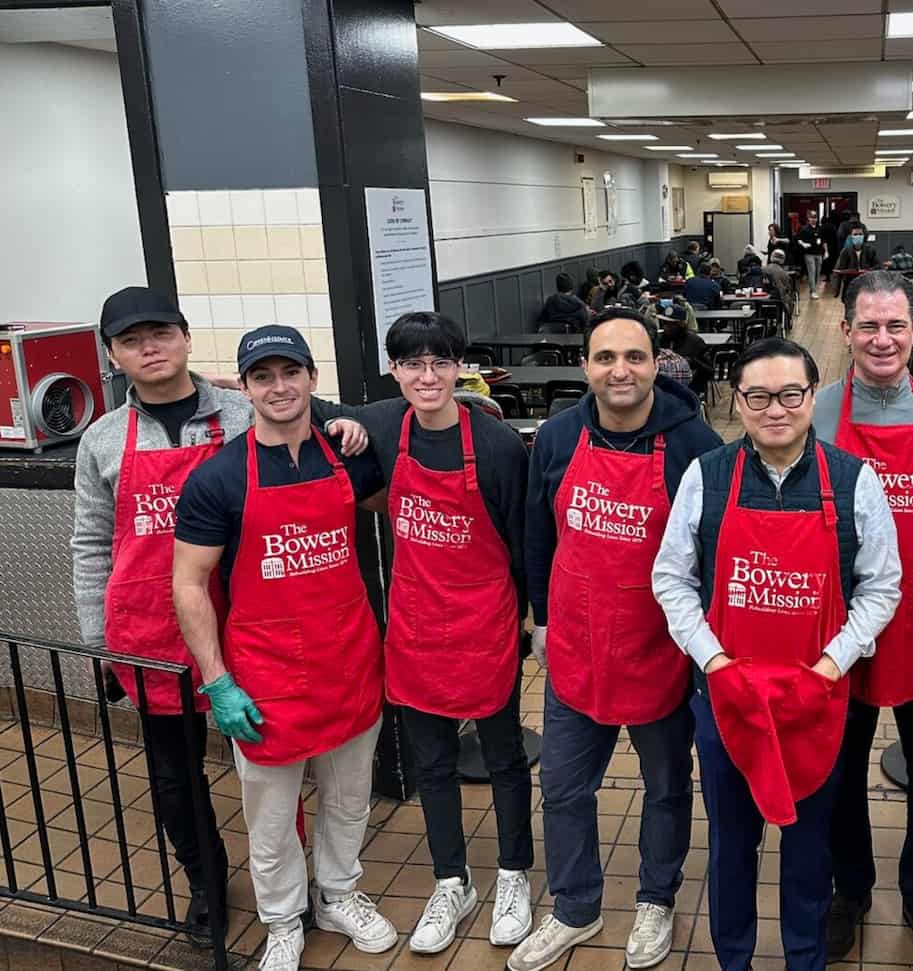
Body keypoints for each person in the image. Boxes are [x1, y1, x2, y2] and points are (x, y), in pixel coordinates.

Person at [71, 288, 366, 947]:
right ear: (113, 356)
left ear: (185, 338)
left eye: (160, 333)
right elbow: (90, 543)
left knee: (275, 762)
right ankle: (206, 881)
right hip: (149, 628)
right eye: (131, 340)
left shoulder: (239, 409)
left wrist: (349, 424)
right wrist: (100, 642)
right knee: (174, 775)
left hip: (247, 624)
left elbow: (306, 410)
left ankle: (294, 892)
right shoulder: (101, 440)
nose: (149, 348)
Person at [652, 337, 902, 971]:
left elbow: (882, 586)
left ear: (812, 397)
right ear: (737, 401)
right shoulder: (707, 476)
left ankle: (804, 957)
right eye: (758, 396)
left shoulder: (854, 480)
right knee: (731, 845)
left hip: (816, 700)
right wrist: (713, 662)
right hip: (725, 698)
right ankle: (733, 958)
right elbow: (671, 578)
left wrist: (832, 664)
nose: (775, 409)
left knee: (809, 850)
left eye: (791, 394)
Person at [172, 325, 395, 971]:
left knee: (349, 799)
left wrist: (355, 426)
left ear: (311, 379)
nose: (279, 386)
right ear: (244, 388)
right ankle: (282, 919)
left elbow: (400, 491)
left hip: (348, 660)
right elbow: (188, 583)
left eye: (290, 372)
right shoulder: (218, 478)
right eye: (263, 376)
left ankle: (339, 895)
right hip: (266, 675)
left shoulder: (348, 456)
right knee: (271, 817)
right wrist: (218, 681)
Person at [315, 312, 535, 955]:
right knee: (432, 762)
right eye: (413, 363)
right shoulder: (386, 424)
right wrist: (345, 425)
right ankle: (451, 881)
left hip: (485, 620)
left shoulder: (497, 446)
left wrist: (531, 620)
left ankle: (514, 875)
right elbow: (309, 405)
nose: (428, 376)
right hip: (415, 622)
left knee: (503, 756)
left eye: (441, 362)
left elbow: (524, 543)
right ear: (394, 369)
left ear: (460, 366)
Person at [517, 307, 722, 971]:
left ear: (657, 363)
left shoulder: (693, 444)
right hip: (576, 647)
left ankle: (656, 898)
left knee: (666, 787)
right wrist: (542, 619)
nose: (620, 370)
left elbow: (711, 554)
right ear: (586, 366)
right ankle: (575, 906)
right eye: (605, 357)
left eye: (634, 356)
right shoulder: (557, 437)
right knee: (564, 789)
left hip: (659, 650)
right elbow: (538, 533)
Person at [812, 274, 913, 971]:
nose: (882, 339)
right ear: (846, 331)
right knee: (838, 769)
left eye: (895, 326)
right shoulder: (817, 412)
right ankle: (849, 889)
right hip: (839, 630)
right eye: (868, 326)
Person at [656, 299, 712, 396]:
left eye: (671, 324)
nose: (666, 327)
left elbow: (710, 371)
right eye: (664, 323)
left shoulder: (695, 342)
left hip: (689, 391)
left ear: (681, 324)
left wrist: (692, 362)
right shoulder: (658, 340)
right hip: (660, 391)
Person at [799, 217, 824, 297]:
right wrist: (803, 244)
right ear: (809, 219)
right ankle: (813, 291)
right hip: (809, 253)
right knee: (812, 272)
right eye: (812, 217)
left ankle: (813, 289)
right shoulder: (805, 229)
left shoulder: (820, 228)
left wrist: (826, 251)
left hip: (819, 253)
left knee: (817, 273)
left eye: (815, 217)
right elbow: (799, 239)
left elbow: (823, 240)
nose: (813, 219)